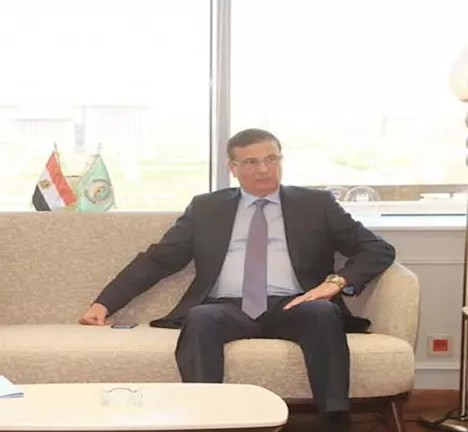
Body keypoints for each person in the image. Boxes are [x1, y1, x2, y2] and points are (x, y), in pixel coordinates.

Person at [78, 128, 395, 432]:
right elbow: (160, 259)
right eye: (252, 162)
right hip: (227, 306)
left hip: (296, 303)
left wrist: (335, 283)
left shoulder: (316, 204)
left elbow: (376, 248)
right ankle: (206, 421)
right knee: (200, 319)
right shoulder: (207, 207)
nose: (264, 169)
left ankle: (335, 422)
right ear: (232, 167)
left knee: (323, 313)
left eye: (271, 159)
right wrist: (104, 303)